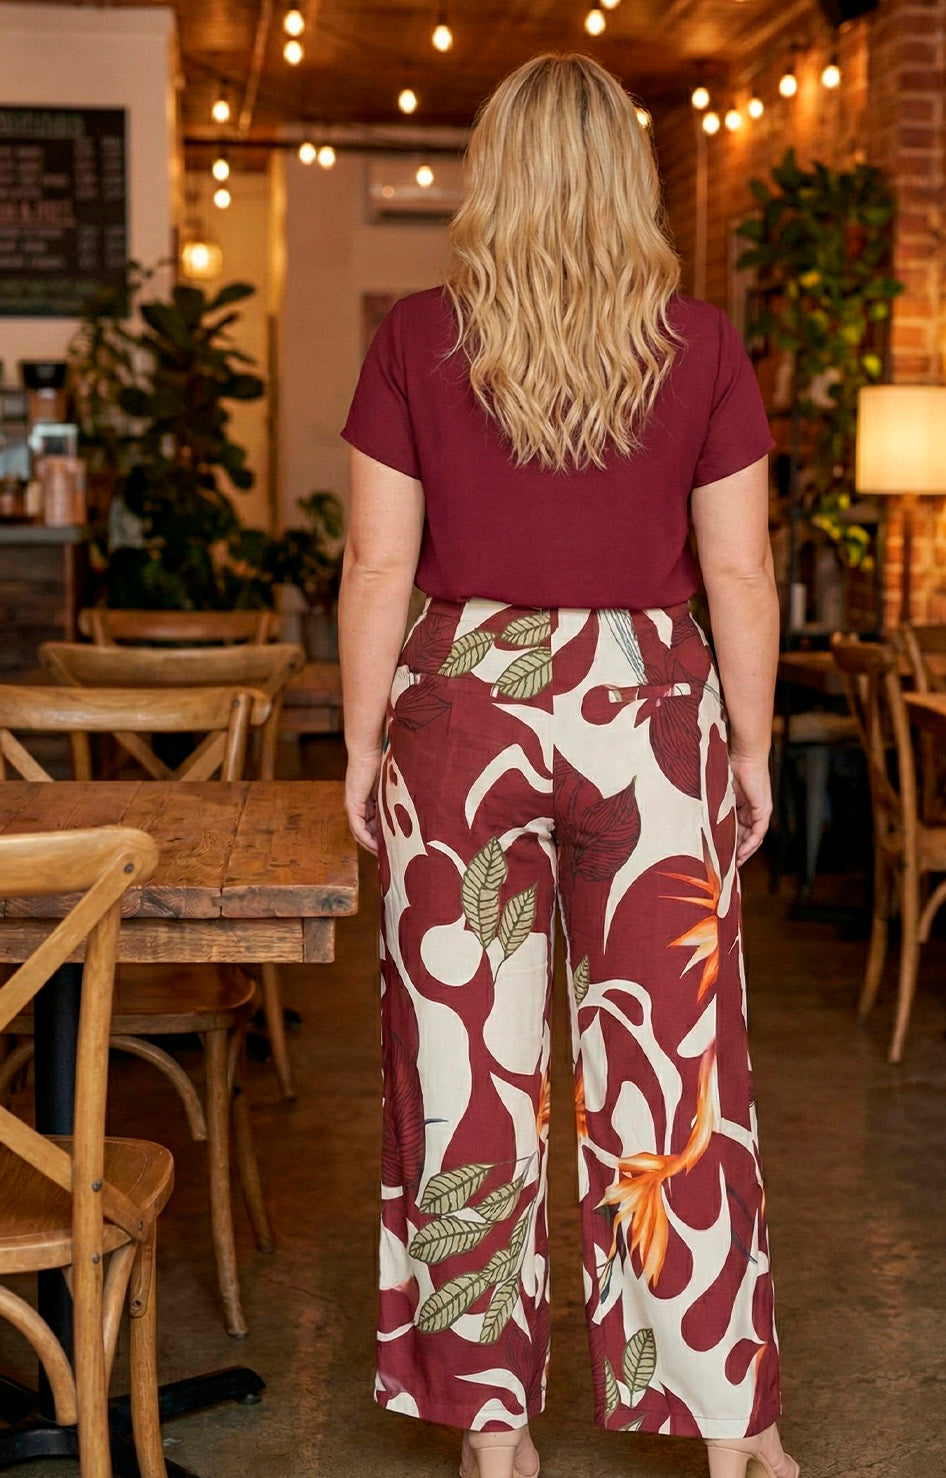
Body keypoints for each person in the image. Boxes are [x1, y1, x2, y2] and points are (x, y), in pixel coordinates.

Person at [338, 53, 796, 1478]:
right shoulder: (698, 345)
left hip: (463, 710)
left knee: (462, 1066)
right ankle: (731, 1430)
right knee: (674, 1073)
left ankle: (493, 1432)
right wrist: (752, 743)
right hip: (647, 709)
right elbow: (738, 569)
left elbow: (377, 565)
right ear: (628, 178)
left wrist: (357, 741)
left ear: (495, 172)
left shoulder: (419, 337)